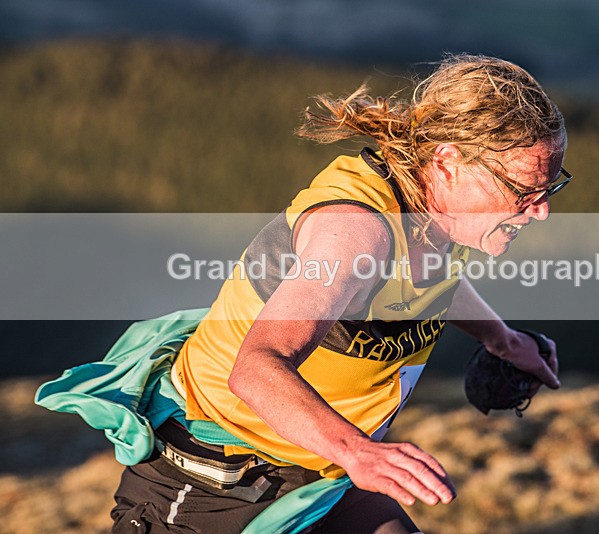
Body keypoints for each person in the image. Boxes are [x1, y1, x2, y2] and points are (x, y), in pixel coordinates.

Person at [107, 53, 568, 533]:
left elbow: (429, 282)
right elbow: (257, 368)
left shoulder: (441, 218)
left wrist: (502, 340)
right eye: (522, 190)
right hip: (215, 481)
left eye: (551, 187)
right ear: (448, 162)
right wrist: (358, 452)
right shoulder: (354, 234)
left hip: (318, 477)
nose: (539, 212)